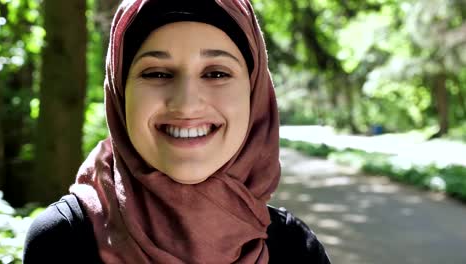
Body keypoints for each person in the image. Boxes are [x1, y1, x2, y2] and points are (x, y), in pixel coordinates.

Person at [23, 0, 332, 263]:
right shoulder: (62, 241)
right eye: (156, 73)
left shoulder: (296, 250)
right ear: (120, 93)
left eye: (216, 73)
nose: (185, 104)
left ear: (254, 94)